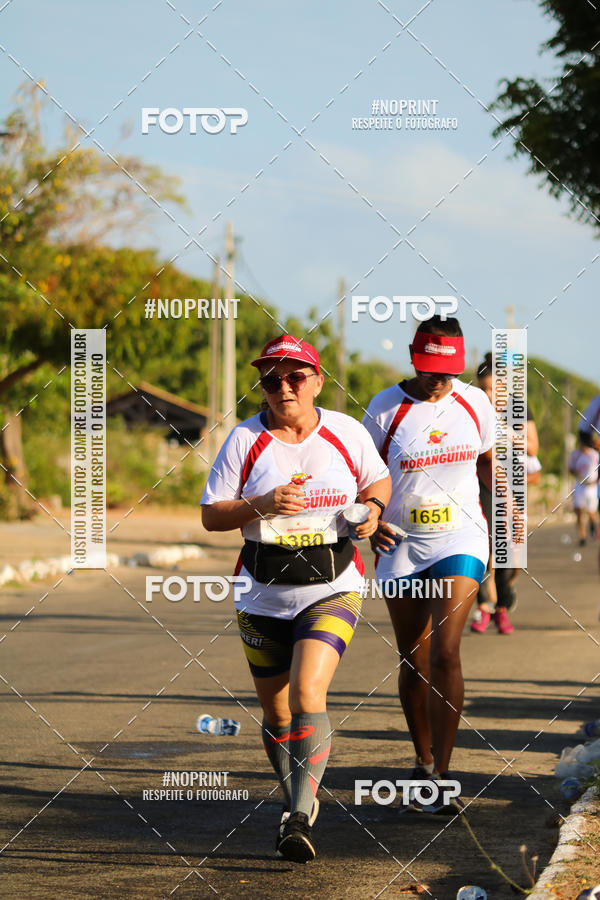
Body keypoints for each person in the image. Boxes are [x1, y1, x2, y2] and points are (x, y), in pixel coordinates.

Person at [201, 335, 391, 862]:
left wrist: (372, 511)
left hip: (334, 585)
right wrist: (258, 504)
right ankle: (296, 801)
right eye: (270, 379)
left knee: (309, 693)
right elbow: (212, 515)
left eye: (294, 377)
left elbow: (377, 481)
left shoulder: (345, 431)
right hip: (261, 592)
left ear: (317, 381)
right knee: (278, 712)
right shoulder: (244, 439)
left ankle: (300, 814)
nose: (283, 387)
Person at [362, 315, 496, 813]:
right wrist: (372, 519)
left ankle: (443, 773)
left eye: (449, 372)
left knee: (446, 652)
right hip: (401, 543)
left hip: (460, 537)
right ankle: (420, 760)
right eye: (430, 370)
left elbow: (485, 459)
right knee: (414, 661)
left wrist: (506, 498)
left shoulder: (474, 401)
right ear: (414, 359)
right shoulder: (385, 408)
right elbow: (365, 477)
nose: (440, 381)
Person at [470, 352, 541, 635]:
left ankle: (506, 593)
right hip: (481, 483)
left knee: (513, 550)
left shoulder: (518, 409)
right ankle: (488, 607)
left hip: (513, 483)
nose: (488, 394)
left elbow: (533, 447)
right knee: (486, 547)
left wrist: (506, 434)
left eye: (493, 388)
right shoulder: (474, 410)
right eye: (483, 388)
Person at [569, 436, 599, 546]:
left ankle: (592, 524)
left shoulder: (594, 454)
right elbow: (570, 468)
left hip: (592, 486)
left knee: (591, 512)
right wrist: (575, 471)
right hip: (580, 485)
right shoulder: (575, 454)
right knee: (579, 511)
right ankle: (582, 536)